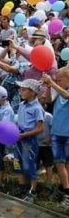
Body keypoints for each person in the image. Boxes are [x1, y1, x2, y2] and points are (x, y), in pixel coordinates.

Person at [12, 79, 45, 203]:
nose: (21, 91)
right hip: (18, 137)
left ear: (32, 92)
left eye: (24, 89)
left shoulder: (37, 108)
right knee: (17, 162)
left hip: (29, 140)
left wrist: (25, 135)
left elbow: (41, 128)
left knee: (29, 165)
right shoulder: (21, 105)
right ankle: (21, 185)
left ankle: (33, 191)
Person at [42, 68, 69, 207]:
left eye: (60, 80)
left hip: (67, 134)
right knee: (60, 164)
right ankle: (64, 189)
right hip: (57, 133)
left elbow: (66, 96)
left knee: (65, 165)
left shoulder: (64, 92)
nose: (58, 82)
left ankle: (66, 192)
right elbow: (48, 103)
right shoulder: (59, 91)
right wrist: (48, 88)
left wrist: (53, 83)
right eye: (56, 80)